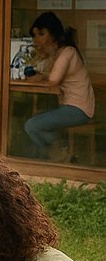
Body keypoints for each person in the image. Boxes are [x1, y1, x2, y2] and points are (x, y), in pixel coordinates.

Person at [24, 11, 95, 162]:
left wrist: (44, 65)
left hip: (78, 109)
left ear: (53, 34)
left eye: (41, 34)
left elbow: (53, 79)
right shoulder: (58, 53)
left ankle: (57, 152)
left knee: (32, 125)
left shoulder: (68, 52)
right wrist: (44, 57)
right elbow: (42, 73)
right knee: (33, 119)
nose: (36, 40)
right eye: (34, 35)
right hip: (67, 106)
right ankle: (57, 153)